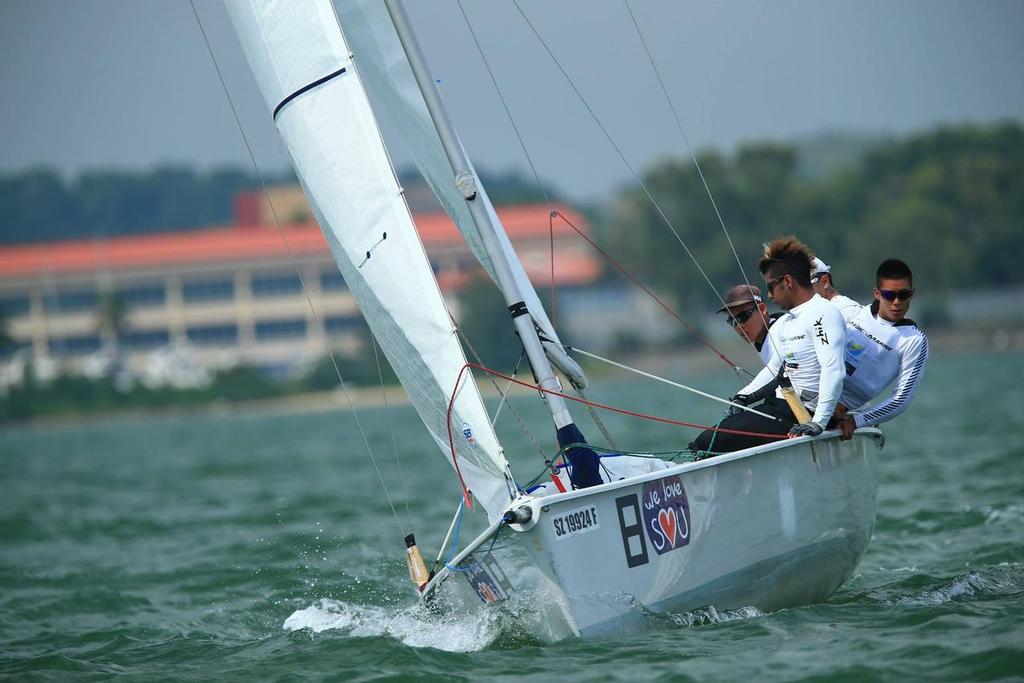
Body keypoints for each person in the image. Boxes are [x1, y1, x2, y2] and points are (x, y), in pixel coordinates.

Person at [690, 236, 847, 454]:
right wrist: (742, 397)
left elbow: (834, 369)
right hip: (785, 409)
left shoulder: (822, 313)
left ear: (788, 282)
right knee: (707, 440)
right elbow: (776, 368)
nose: (771, 295)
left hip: (808, 415)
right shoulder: (789, 321)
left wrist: (818, 422)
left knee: (709, 443)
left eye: (771, 286)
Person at [834, 258, 928, 438]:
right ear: (877, 293)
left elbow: (901, 399)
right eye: (889, 295)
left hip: (842, 413)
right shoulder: (851, 312)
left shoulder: (913, 340)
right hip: (805, 395)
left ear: (912, 294)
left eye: (904, 294)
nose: (897, 302)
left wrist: (856, 422)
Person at [716, 284, 782, 365]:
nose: (739, 326)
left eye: (743, 316)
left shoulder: (782, 332)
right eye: (732, 320)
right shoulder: (762, 342)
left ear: (762, 309)